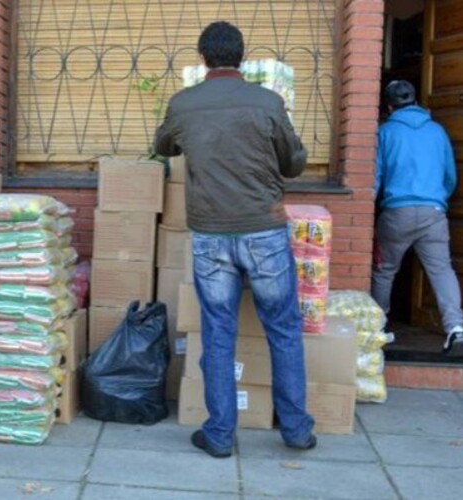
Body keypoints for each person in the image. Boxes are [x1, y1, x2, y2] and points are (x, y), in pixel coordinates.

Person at [155, 21, 315, 458]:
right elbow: (294, 163)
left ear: (203, 58)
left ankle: (220, 434)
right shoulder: (267, 101)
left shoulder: (184, 103)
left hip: (210, 235)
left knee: (218, 332)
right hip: (264, 230)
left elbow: (163, 147)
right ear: (241, 58)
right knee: (283, 328)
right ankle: (297, 430)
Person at [372, 80, 463, 355]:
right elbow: (450, 177)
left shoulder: (385, 132)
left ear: (389, 106)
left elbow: (374, 178)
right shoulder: (437, 132)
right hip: (434, 212)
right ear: (415, 101)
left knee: (384, 269)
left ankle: (378, 327)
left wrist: (371, 208)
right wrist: (436, 199)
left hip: (396, 212)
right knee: (442, 270)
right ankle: (456, 328)